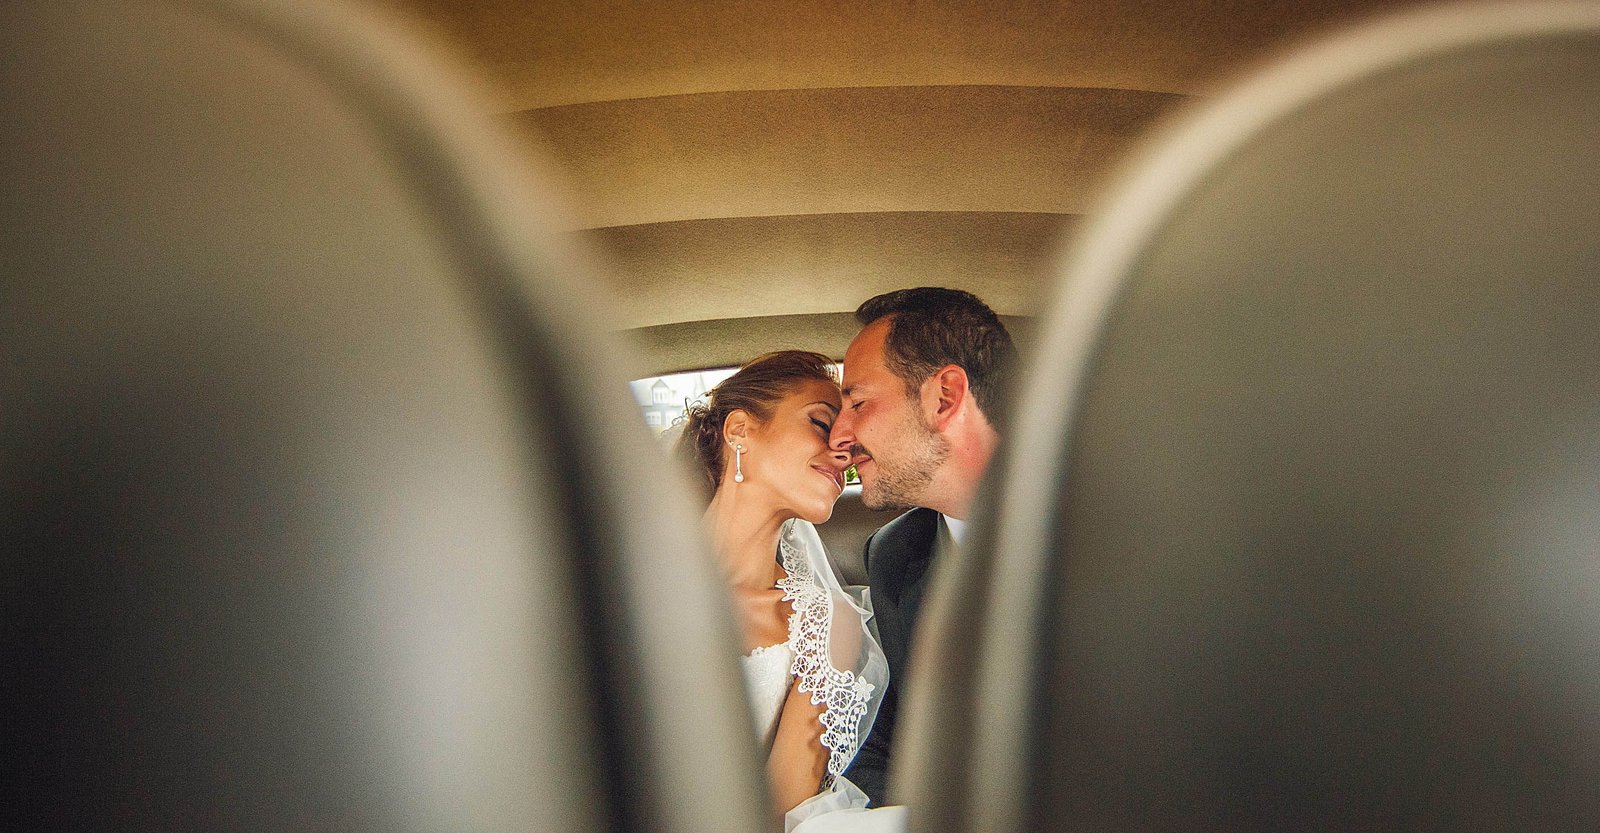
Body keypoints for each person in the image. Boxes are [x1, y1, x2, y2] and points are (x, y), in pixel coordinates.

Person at [676, 351, 889, 830]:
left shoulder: (827, 626)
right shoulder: (611, 577)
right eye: (820, 422)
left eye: (848, 442)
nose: (844, 452)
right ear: (740, 432)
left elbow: (777, 815)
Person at [827, 288, 1015, 808]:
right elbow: (886, 744)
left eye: (857, 403)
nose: (839, 438)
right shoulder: (893, 554)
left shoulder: (1136, 532)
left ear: (944, 396)